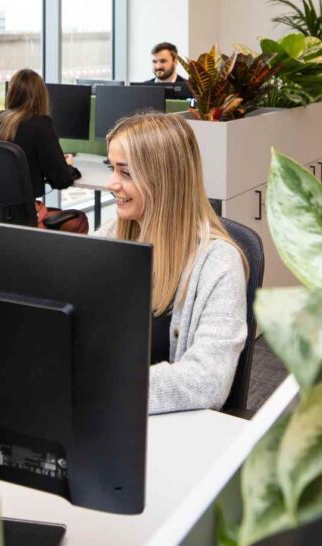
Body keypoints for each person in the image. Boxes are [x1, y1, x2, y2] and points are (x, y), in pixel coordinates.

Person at [98, 112, 247, 414]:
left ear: (162, 180)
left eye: (126, 173)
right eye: (112, 168)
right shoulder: (115, 235)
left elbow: (208, 381)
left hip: (170, 425)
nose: (111, 183)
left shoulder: (218, 264)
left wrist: (107, 387)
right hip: (113, 415)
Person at [0, 69, 89, 234]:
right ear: (41, 97)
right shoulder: (40, 124)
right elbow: (61, 180)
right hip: (25, 216)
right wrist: (68, 166)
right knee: (79, 220)